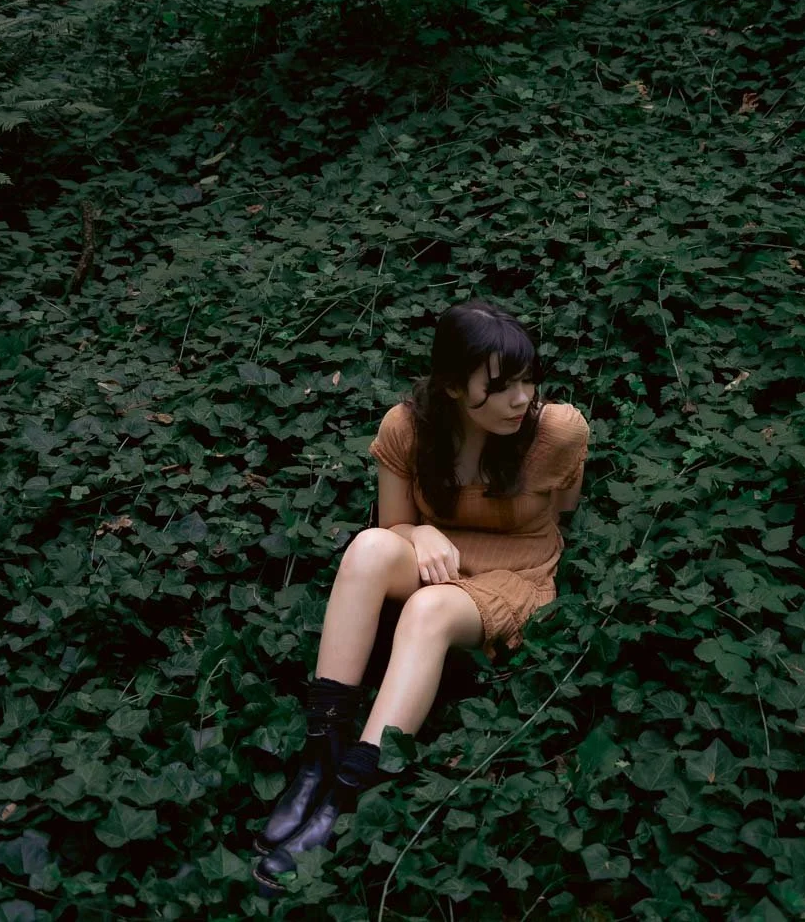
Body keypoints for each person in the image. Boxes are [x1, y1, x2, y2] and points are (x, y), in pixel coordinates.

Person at [251, 299, 590, 895]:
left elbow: (563, 512)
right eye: (502, 386)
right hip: (435, 553)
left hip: (517, 570)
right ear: (455, 387)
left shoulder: (557, 431)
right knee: (366, 550)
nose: (522, 399)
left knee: (428, 608)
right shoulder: (407, 428)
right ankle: (318, 755)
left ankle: (350, 788)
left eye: (530, 380)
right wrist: (422, 531)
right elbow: (393, 527)